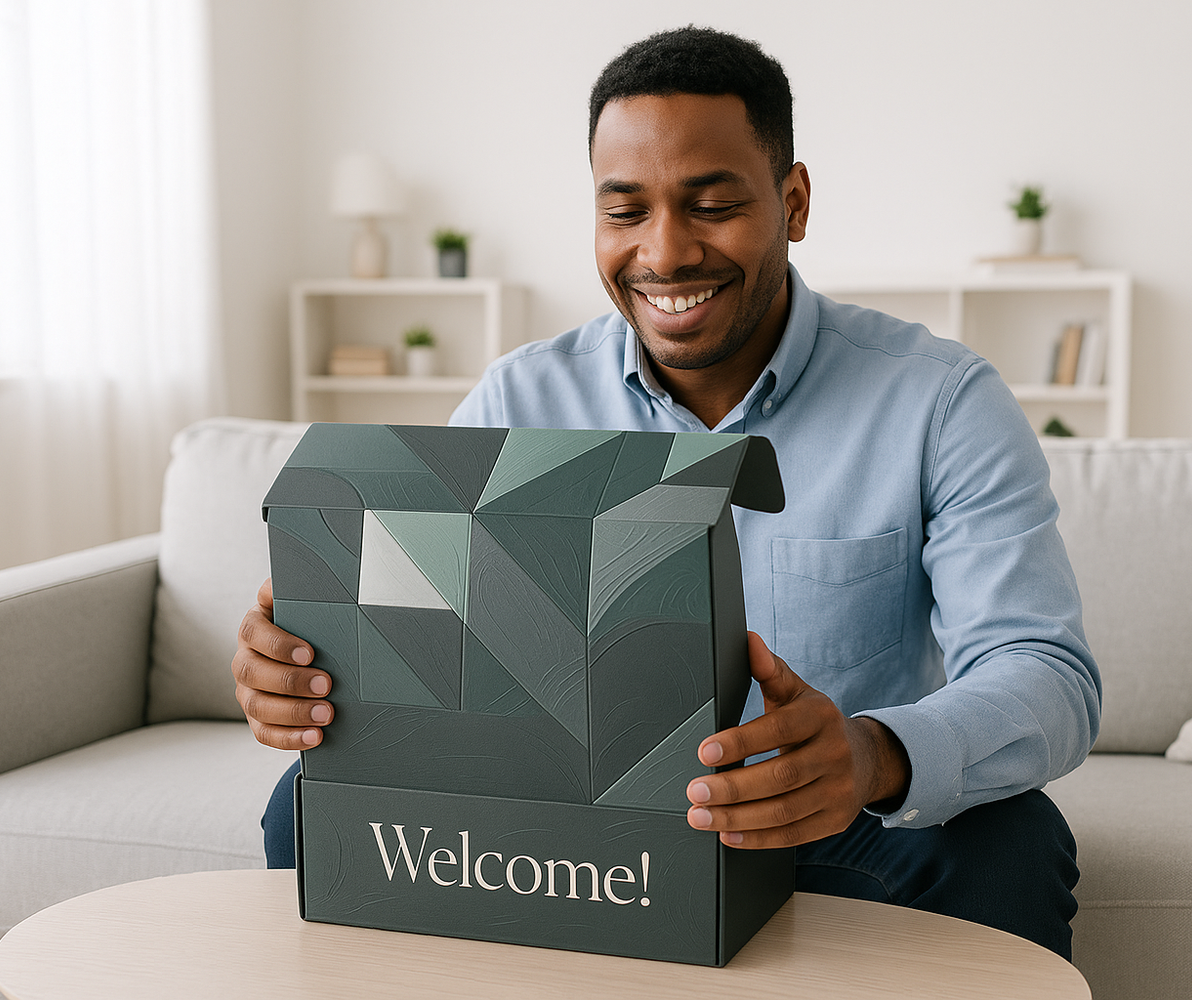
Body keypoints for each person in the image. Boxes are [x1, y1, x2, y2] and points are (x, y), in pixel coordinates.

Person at [233, 25, 1100, 959]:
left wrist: (870, 754)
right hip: (569, 822)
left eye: (713, 203)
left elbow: (1044, 671)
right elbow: (423, 632)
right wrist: (301, 674)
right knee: (304, 804)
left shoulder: (939, 402)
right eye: (626, 210)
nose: (666, 252)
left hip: (822, 816)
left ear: (794, 202)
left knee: (1016, 846)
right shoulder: (519, 400)